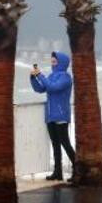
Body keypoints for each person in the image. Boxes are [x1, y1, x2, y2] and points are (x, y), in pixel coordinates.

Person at [30, 51, 75, 182]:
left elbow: (53, 88)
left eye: (54, 62)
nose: (52, 64)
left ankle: (78, 169)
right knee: (55, 144)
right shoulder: (51, 76)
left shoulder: (66, 77)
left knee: (65, 143)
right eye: (52, 61)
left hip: (61, 114)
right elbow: (40, 89)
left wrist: (40, 75)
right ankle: (58, 172)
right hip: (50, 115)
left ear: (62, 63)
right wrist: (33, 78)